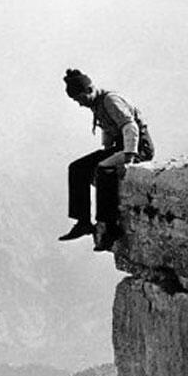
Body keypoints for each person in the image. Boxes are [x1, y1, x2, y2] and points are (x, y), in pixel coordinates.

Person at [58, 69, 154, 251]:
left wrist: (129, 156)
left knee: (103, 170)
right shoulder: (97, 103)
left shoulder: (110, 100)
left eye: (80, 98)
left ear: (89, 90)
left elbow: (129, 126)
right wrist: (107, 149)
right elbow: (108, 128)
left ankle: (110, 227)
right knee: (78, 168)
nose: (80, 104)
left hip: (139, 147)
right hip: (120, 146)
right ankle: (83, 221)